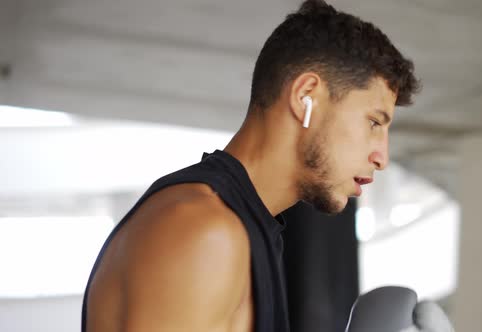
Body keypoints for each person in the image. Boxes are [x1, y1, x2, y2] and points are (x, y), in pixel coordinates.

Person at [82, 0, 420, 331]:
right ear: (306, 97)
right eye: (374, 123)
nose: (382, 156)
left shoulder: (242, 227)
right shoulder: (205, 231)